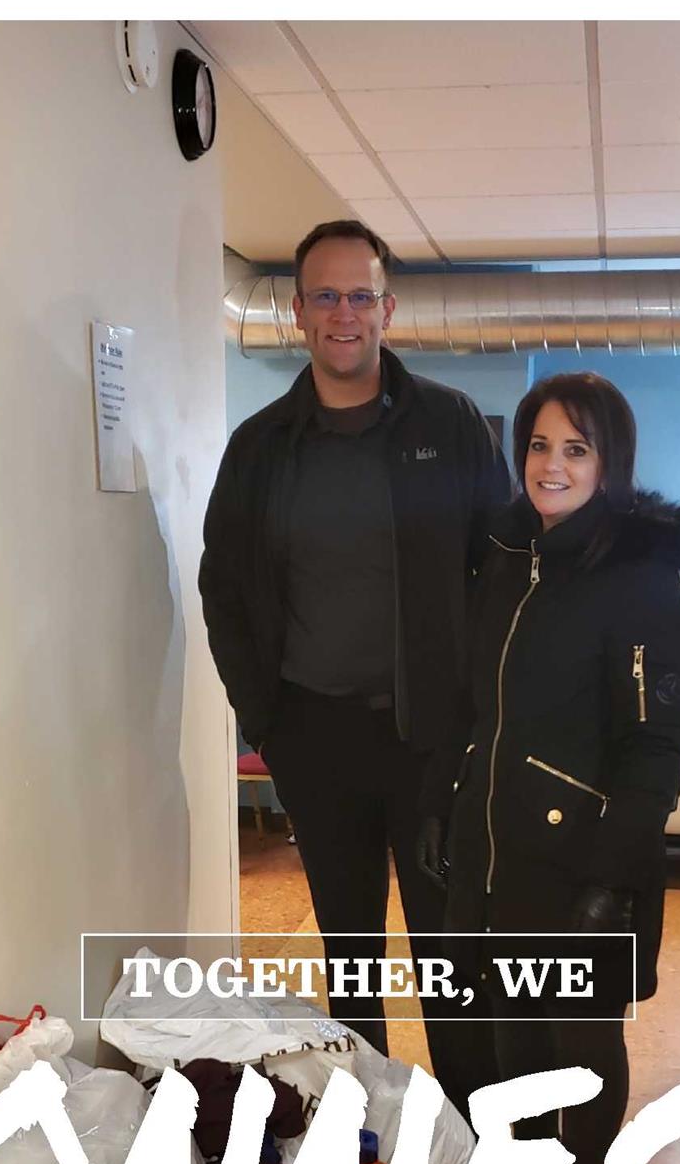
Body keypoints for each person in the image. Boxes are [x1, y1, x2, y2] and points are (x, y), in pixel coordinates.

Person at [200, 220, 510, 1116]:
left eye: (361, 295)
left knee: (451, 951)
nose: (345, 313)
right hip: (315, 738)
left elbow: (499, 574)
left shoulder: (449, 424)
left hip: (432, 743)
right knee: (351, 952)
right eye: (327, 296)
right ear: (299, 311)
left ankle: (475, 1128)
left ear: (388, 308)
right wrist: (265, 720)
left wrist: (481, 721)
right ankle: (369, 1129)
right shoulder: (261, 447)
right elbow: (224, 588)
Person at [418, 373, 680, 1164]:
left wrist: (611, 880)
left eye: (576, 449)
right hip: (498, 848)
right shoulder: (508, 557)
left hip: (584, 859)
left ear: (610, 461)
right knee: (514, 1031)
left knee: (578, 1043)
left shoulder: (642, 579)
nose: (552, 465)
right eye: (540, 445)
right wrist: (447, 806)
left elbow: (656, 745)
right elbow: (477, 708)